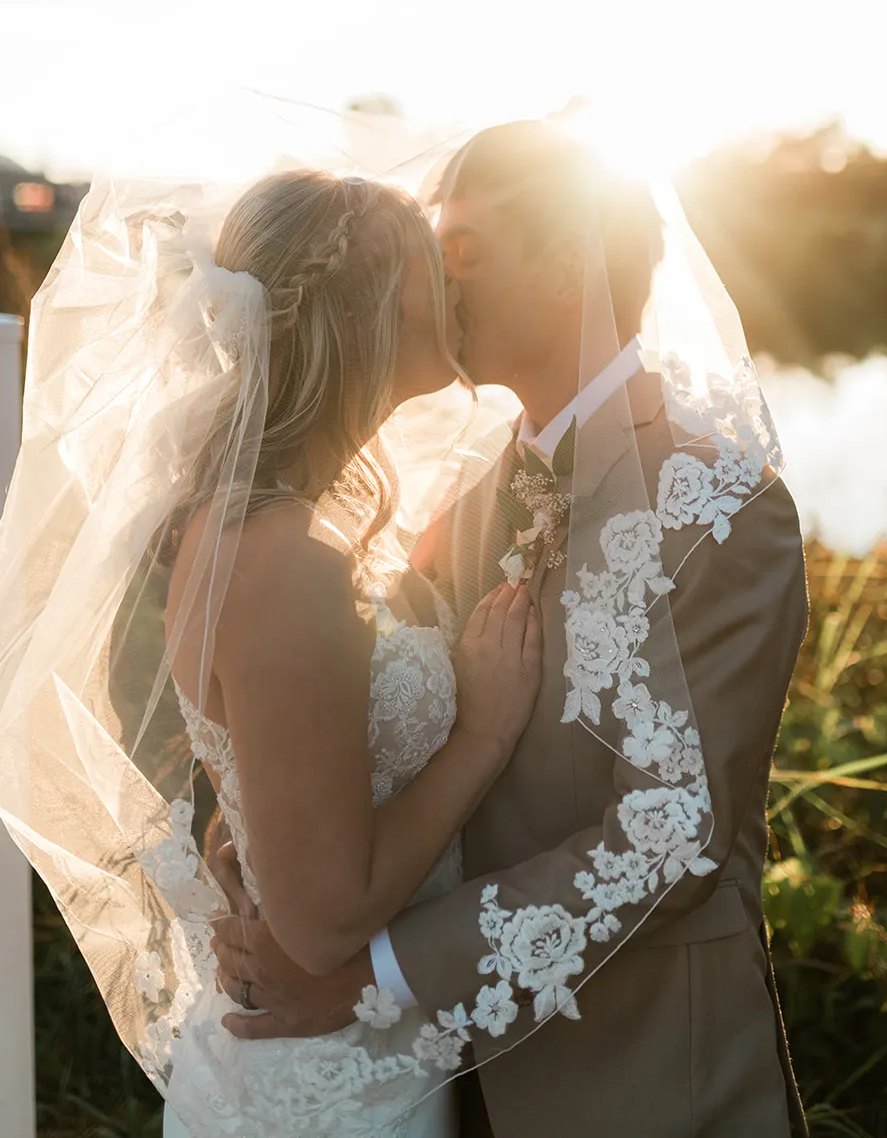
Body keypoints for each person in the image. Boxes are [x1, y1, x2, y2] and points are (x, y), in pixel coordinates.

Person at [212, 123, 811, 1137]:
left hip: (651, 1084)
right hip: (451, 1085)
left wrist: (375, 975)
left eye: (470, 253)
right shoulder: (474, 495)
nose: (440, 283)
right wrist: (267, 832)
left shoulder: (719, 509)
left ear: (571, 263)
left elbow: (670, 838)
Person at [0, 166, 542, 1137]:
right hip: (332, 1087)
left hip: (335, 1057)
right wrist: (484, 737)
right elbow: (325, 922)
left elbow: (272, 760)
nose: (454, 288)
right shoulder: (289, 561)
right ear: (364, 312)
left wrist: (242, 839)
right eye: (429, 269)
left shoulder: (256, 524)